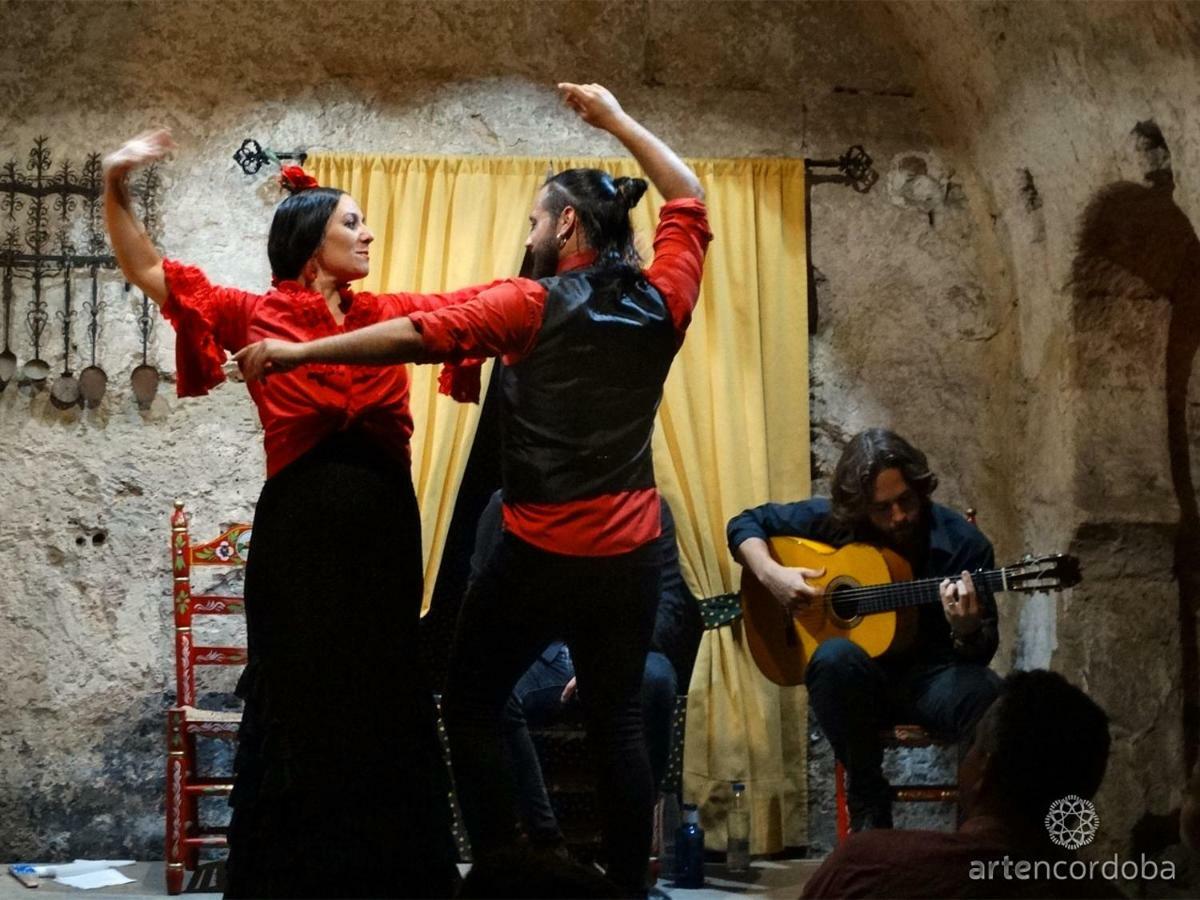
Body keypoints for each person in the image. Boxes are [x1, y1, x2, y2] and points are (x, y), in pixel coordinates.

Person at [235, 81, 712, 896]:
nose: (527, 235)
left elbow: (418, 337)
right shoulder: (666, 298)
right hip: (628, 553)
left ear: (566, 224)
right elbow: (688, 196)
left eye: (534, 220)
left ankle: (502, 868)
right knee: (619, 723)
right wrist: (618, 119)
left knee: (467, 698)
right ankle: (626, 889)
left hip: (538, 550)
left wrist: (297, 355)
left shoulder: (530, 305)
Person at [103, 133, 497, 897]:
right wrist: (116, 181)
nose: (369, 235)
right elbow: (148, 269)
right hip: (299, 539)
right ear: (311, 242)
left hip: (384, 534)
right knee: (302, 698)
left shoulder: (390, 314)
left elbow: (490, 307)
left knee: (384, 695)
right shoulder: (251, 316)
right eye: (354, 224)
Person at [727, 427, 1002, 832]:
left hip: (932, 679)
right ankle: (869, 801)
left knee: (988, 694)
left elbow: (980, 652)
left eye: (906, 500)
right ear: (859, 508)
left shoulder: (963, 544)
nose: (898, 516)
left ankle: (976, 829)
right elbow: (744, 523)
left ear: (920, 488)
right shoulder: (834, 523)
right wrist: (773, 577)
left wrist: (966, 629)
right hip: (862, 686)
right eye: (882, 508)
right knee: (832, 658)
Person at [466, 491, 701, 852]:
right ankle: (538, 840)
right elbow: (480, 600)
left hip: (621, 650)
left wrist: (607, 657)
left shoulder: (647, 508)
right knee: (487, 689)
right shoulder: (509, 502)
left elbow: (669, 606)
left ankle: (633, 845)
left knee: (656, 679)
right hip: (540, 654)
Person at [801, 669, 1121, 899]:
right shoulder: (1100, 894)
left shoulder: (862, 866)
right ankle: (869, 801)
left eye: (973, 746)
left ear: (984, 770)